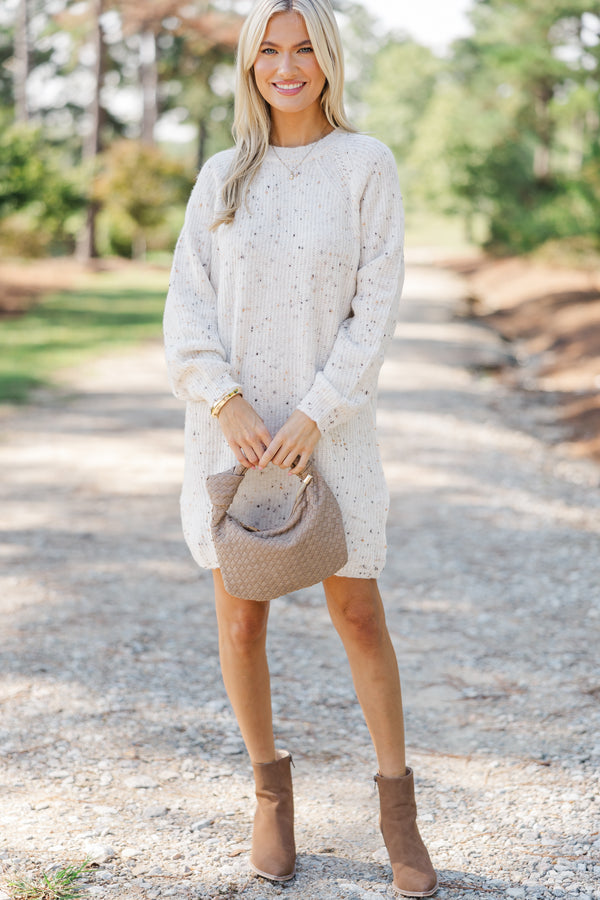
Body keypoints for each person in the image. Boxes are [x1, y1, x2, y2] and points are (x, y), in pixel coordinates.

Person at [163, 0, 438, 895]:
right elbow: (186, 308)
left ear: (328, 60)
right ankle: (270, 795)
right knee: (242, 616)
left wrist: (315, 414)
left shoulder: (366, 166)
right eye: (270, 50)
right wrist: (227, 402)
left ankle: (398, 808)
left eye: (304, 48)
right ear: (250, 65)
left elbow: (376, 306)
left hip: (334, 434)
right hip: (233, 441)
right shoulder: (221, 177)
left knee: (358, 614)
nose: (288, 66)